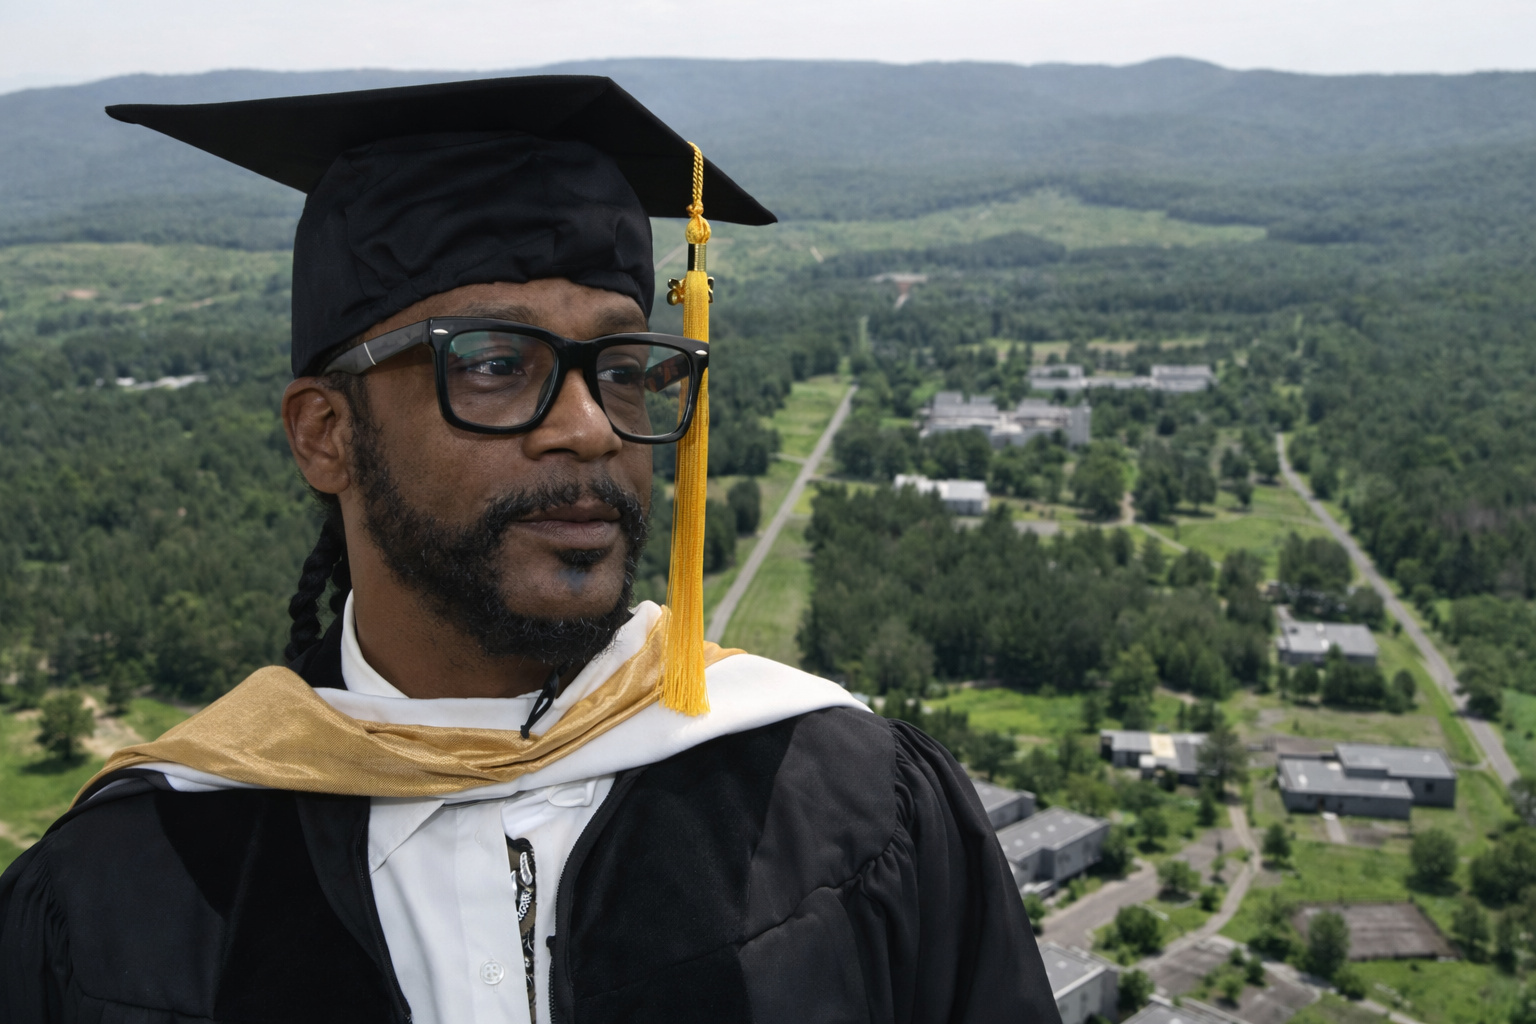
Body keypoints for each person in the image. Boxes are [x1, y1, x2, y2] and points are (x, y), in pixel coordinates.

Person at [0, 76, 1054, 1024]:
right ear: (326, 433)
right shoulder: (126, 886)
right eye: (498, 362)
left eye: (626, 366)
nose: (592, 426)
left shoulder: (854, 802)